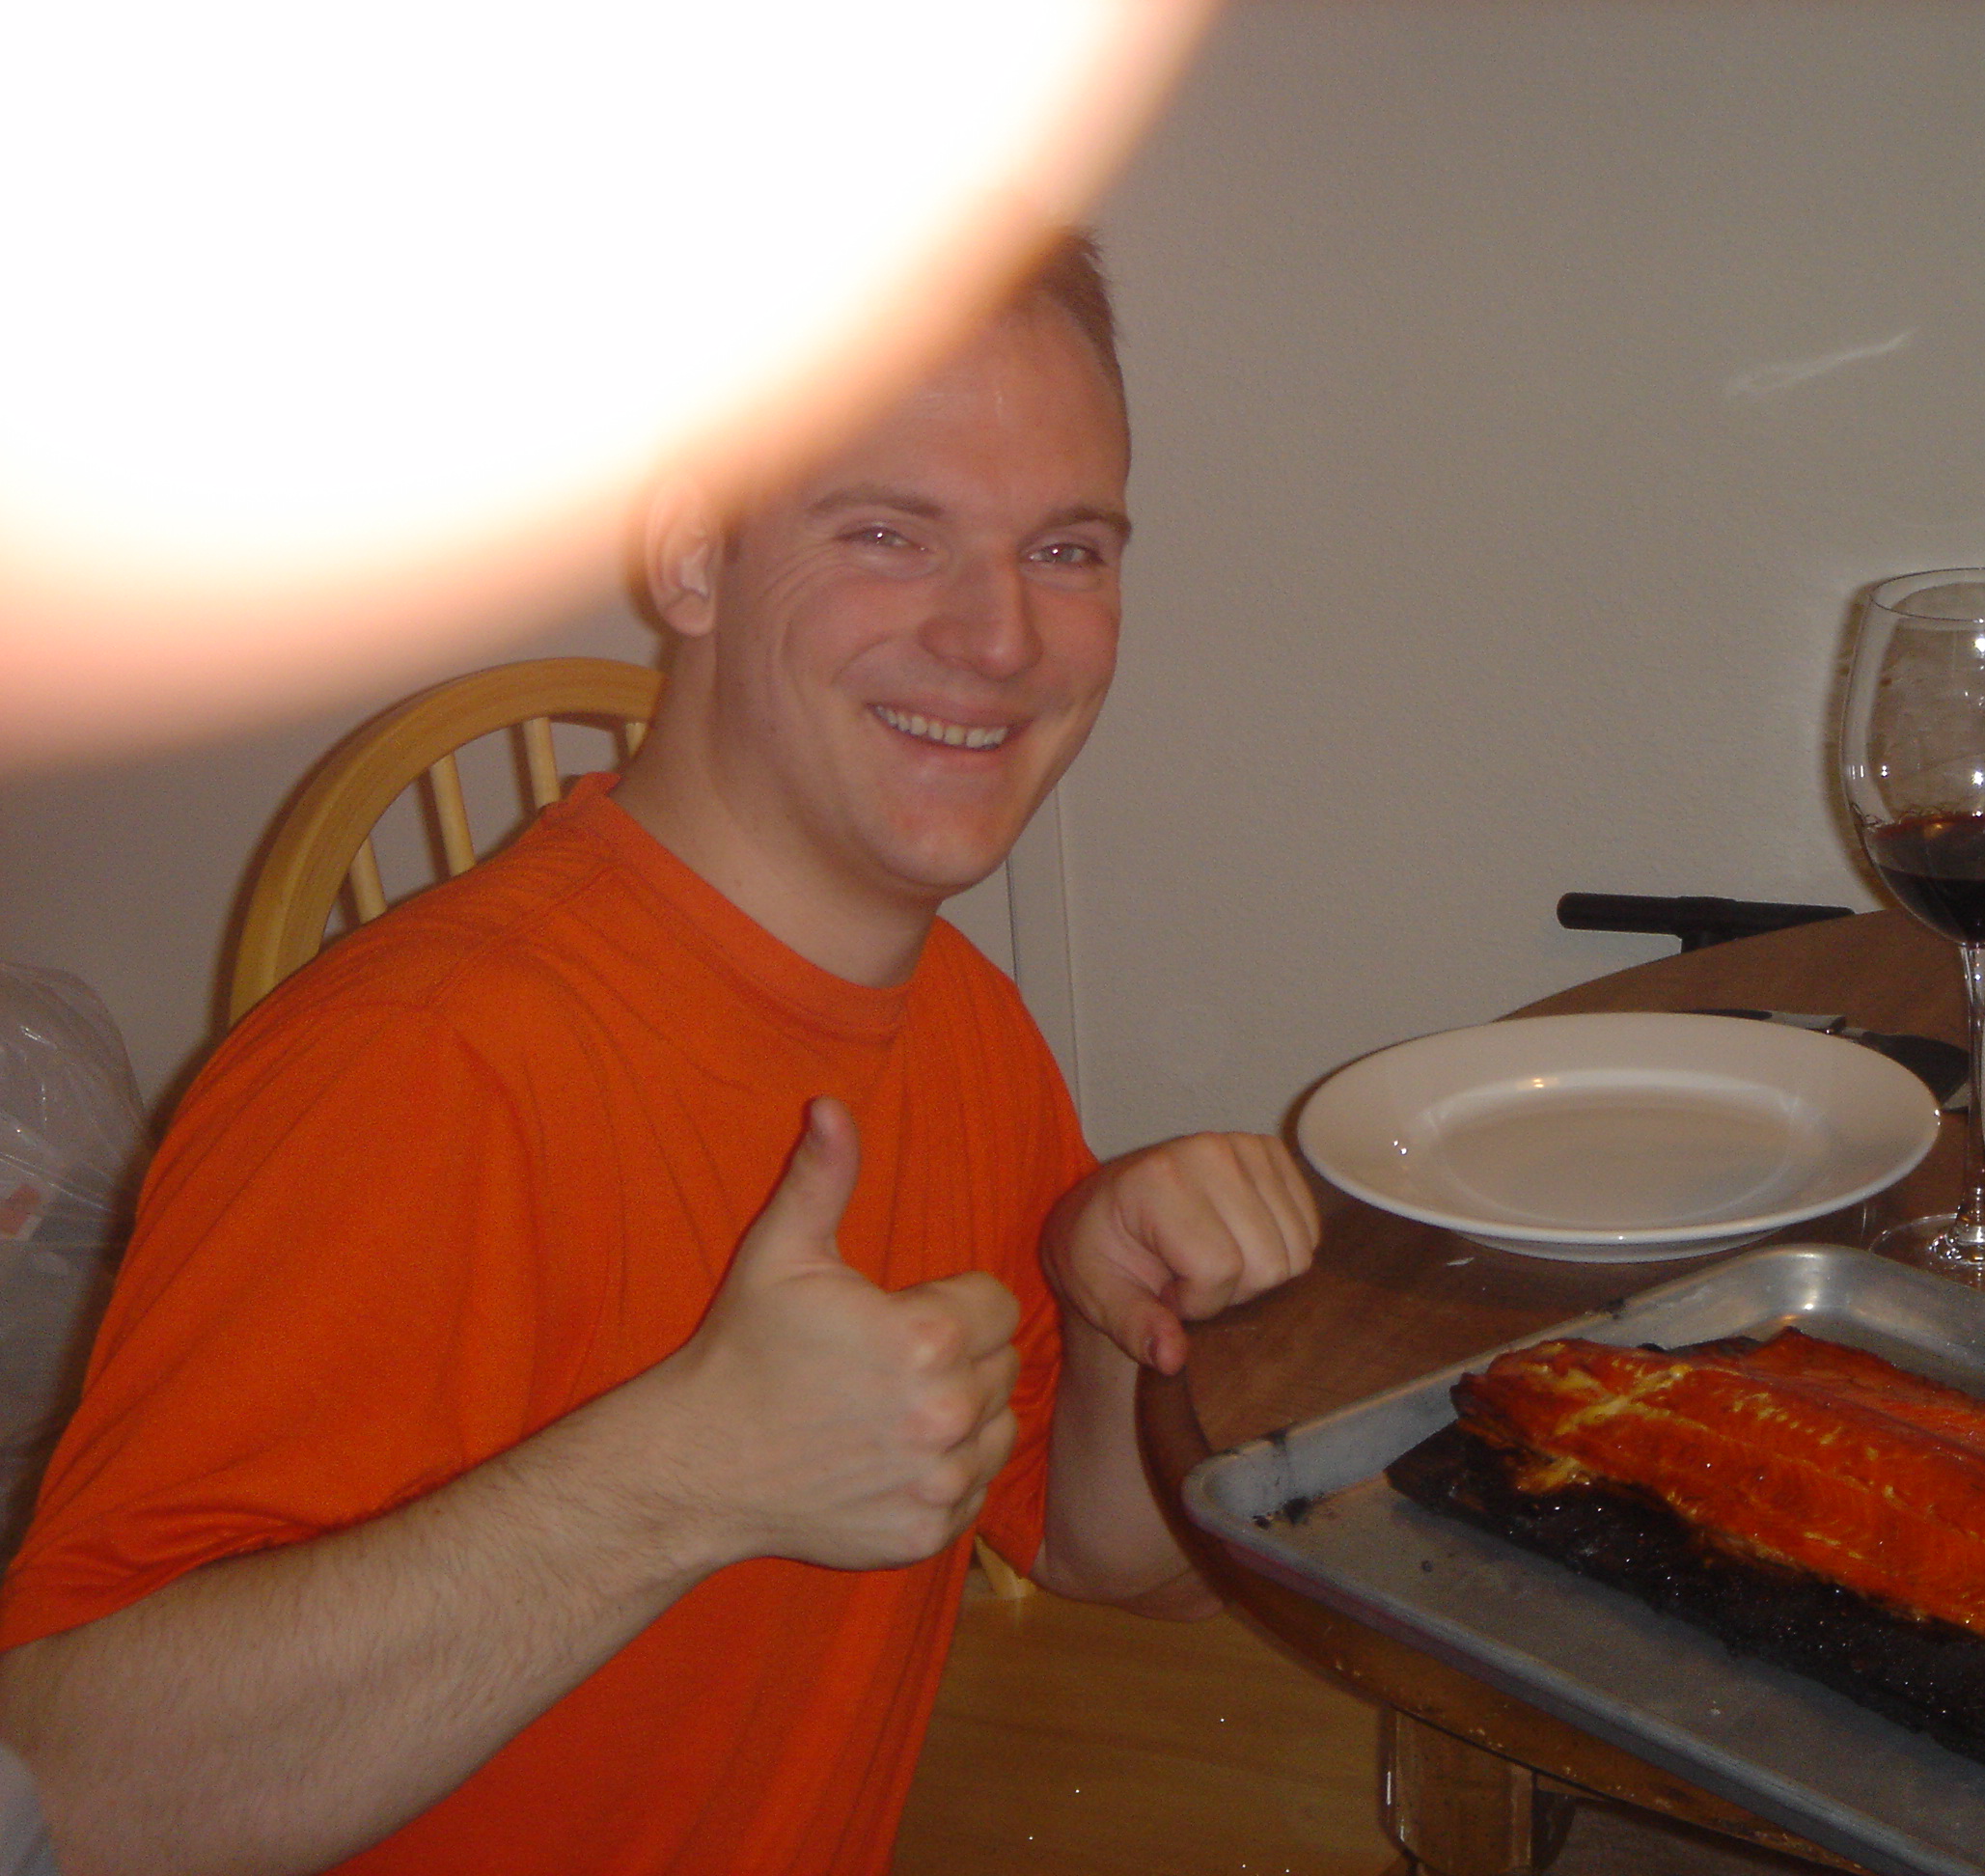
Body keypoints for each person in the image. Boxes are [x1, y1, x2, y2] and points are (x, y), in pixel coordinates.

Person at [0, 234, 1319, 1876]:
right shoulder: (421, 1069)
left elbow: (1093, 1548)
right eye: (887, 533)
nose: (1000, 639)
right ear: (693, 556)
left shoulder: (959, 1023)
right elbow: (69, 1796)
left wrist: (1124, 1317)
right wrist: (685, 1474)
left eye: (1065, 549)